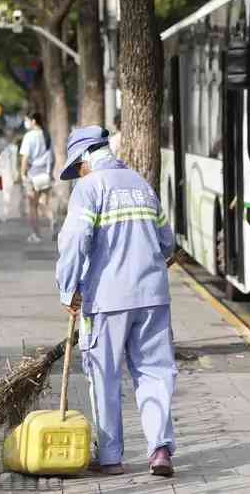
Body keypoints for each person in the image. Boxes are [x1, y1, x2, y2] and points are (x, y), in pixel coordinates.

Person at [55, 126, 177, 477]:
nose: (77, 175)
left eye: (76, 168)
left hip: (107, 300)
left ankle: (109, 457)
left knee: (104, 375)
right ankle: (159, 449)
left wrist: (68, 289)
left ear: (85, 159)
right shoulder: (141, 184)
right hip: (153, 297)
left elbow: (75, 241)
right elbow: (166, 242)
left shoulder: (89, 188)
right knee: (155, 372)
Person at [19, 112, 54, 243]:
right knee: (43, 203)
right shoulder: (46, 135)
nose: (26, 123)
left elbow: (25, 158)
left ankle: (36, 234)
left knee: (33, 206)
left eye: (27, 120)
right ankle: (53, 222)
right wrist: (51, 173)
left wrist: (22, 174)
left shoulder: (29, 136)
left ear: (33, 121)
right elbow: (52, 156)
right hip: (45, 174)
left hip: (33, 175)